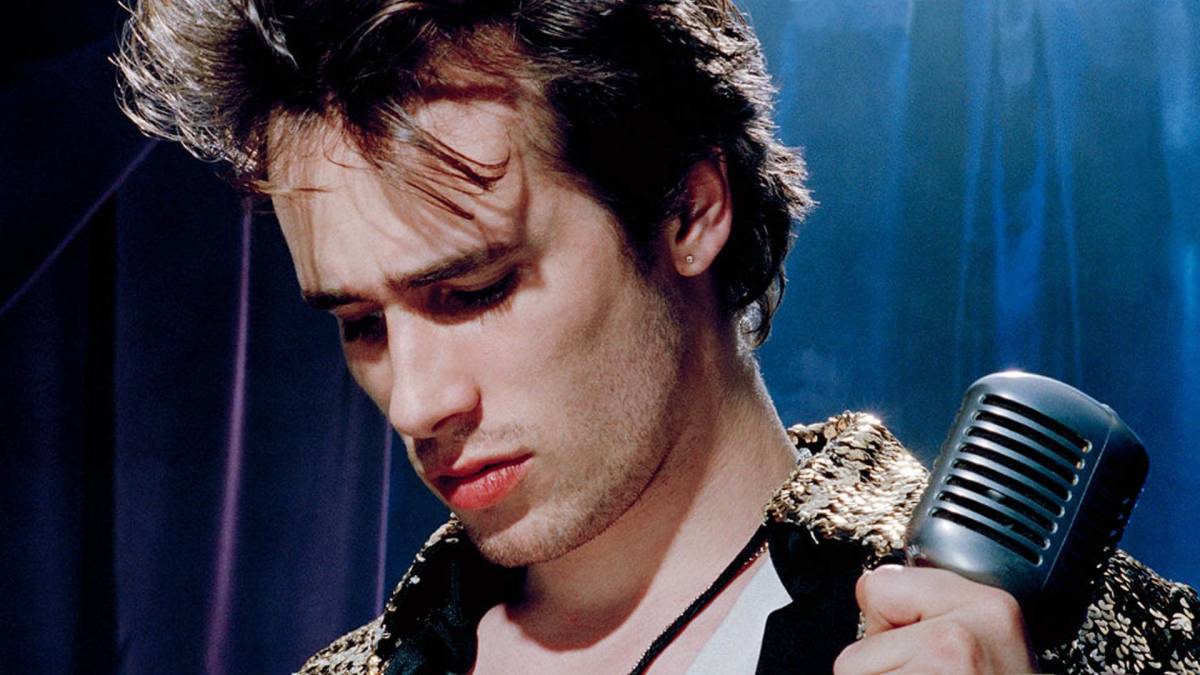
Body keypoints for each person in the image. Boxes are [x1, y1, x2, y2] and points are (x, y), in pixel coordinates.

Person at [114, 1, 1198, 673]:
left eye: (475, 291)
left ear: (689, 210)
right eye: (361, 323)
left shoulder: (1076, 643)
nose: (416, 401)